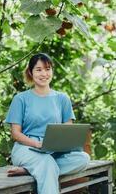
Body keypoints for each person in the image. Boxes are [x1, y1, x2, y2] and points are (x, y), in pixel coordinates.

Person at [5, 53, 90, 194]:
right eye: (38, 70)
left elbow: (67, 129)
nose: (44, 73)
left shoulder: (62, 98)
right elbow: (15, 133)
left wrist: (60, 144)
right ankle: (37, 167)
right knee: (46, 164)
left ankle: (29, 169)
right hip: (26, 148)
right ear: (30, 72)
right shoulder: (20, 99)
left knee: (83, 159)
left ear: (52, 71)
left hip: (53, 151)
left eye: (47, 69)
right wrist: (37, 144)